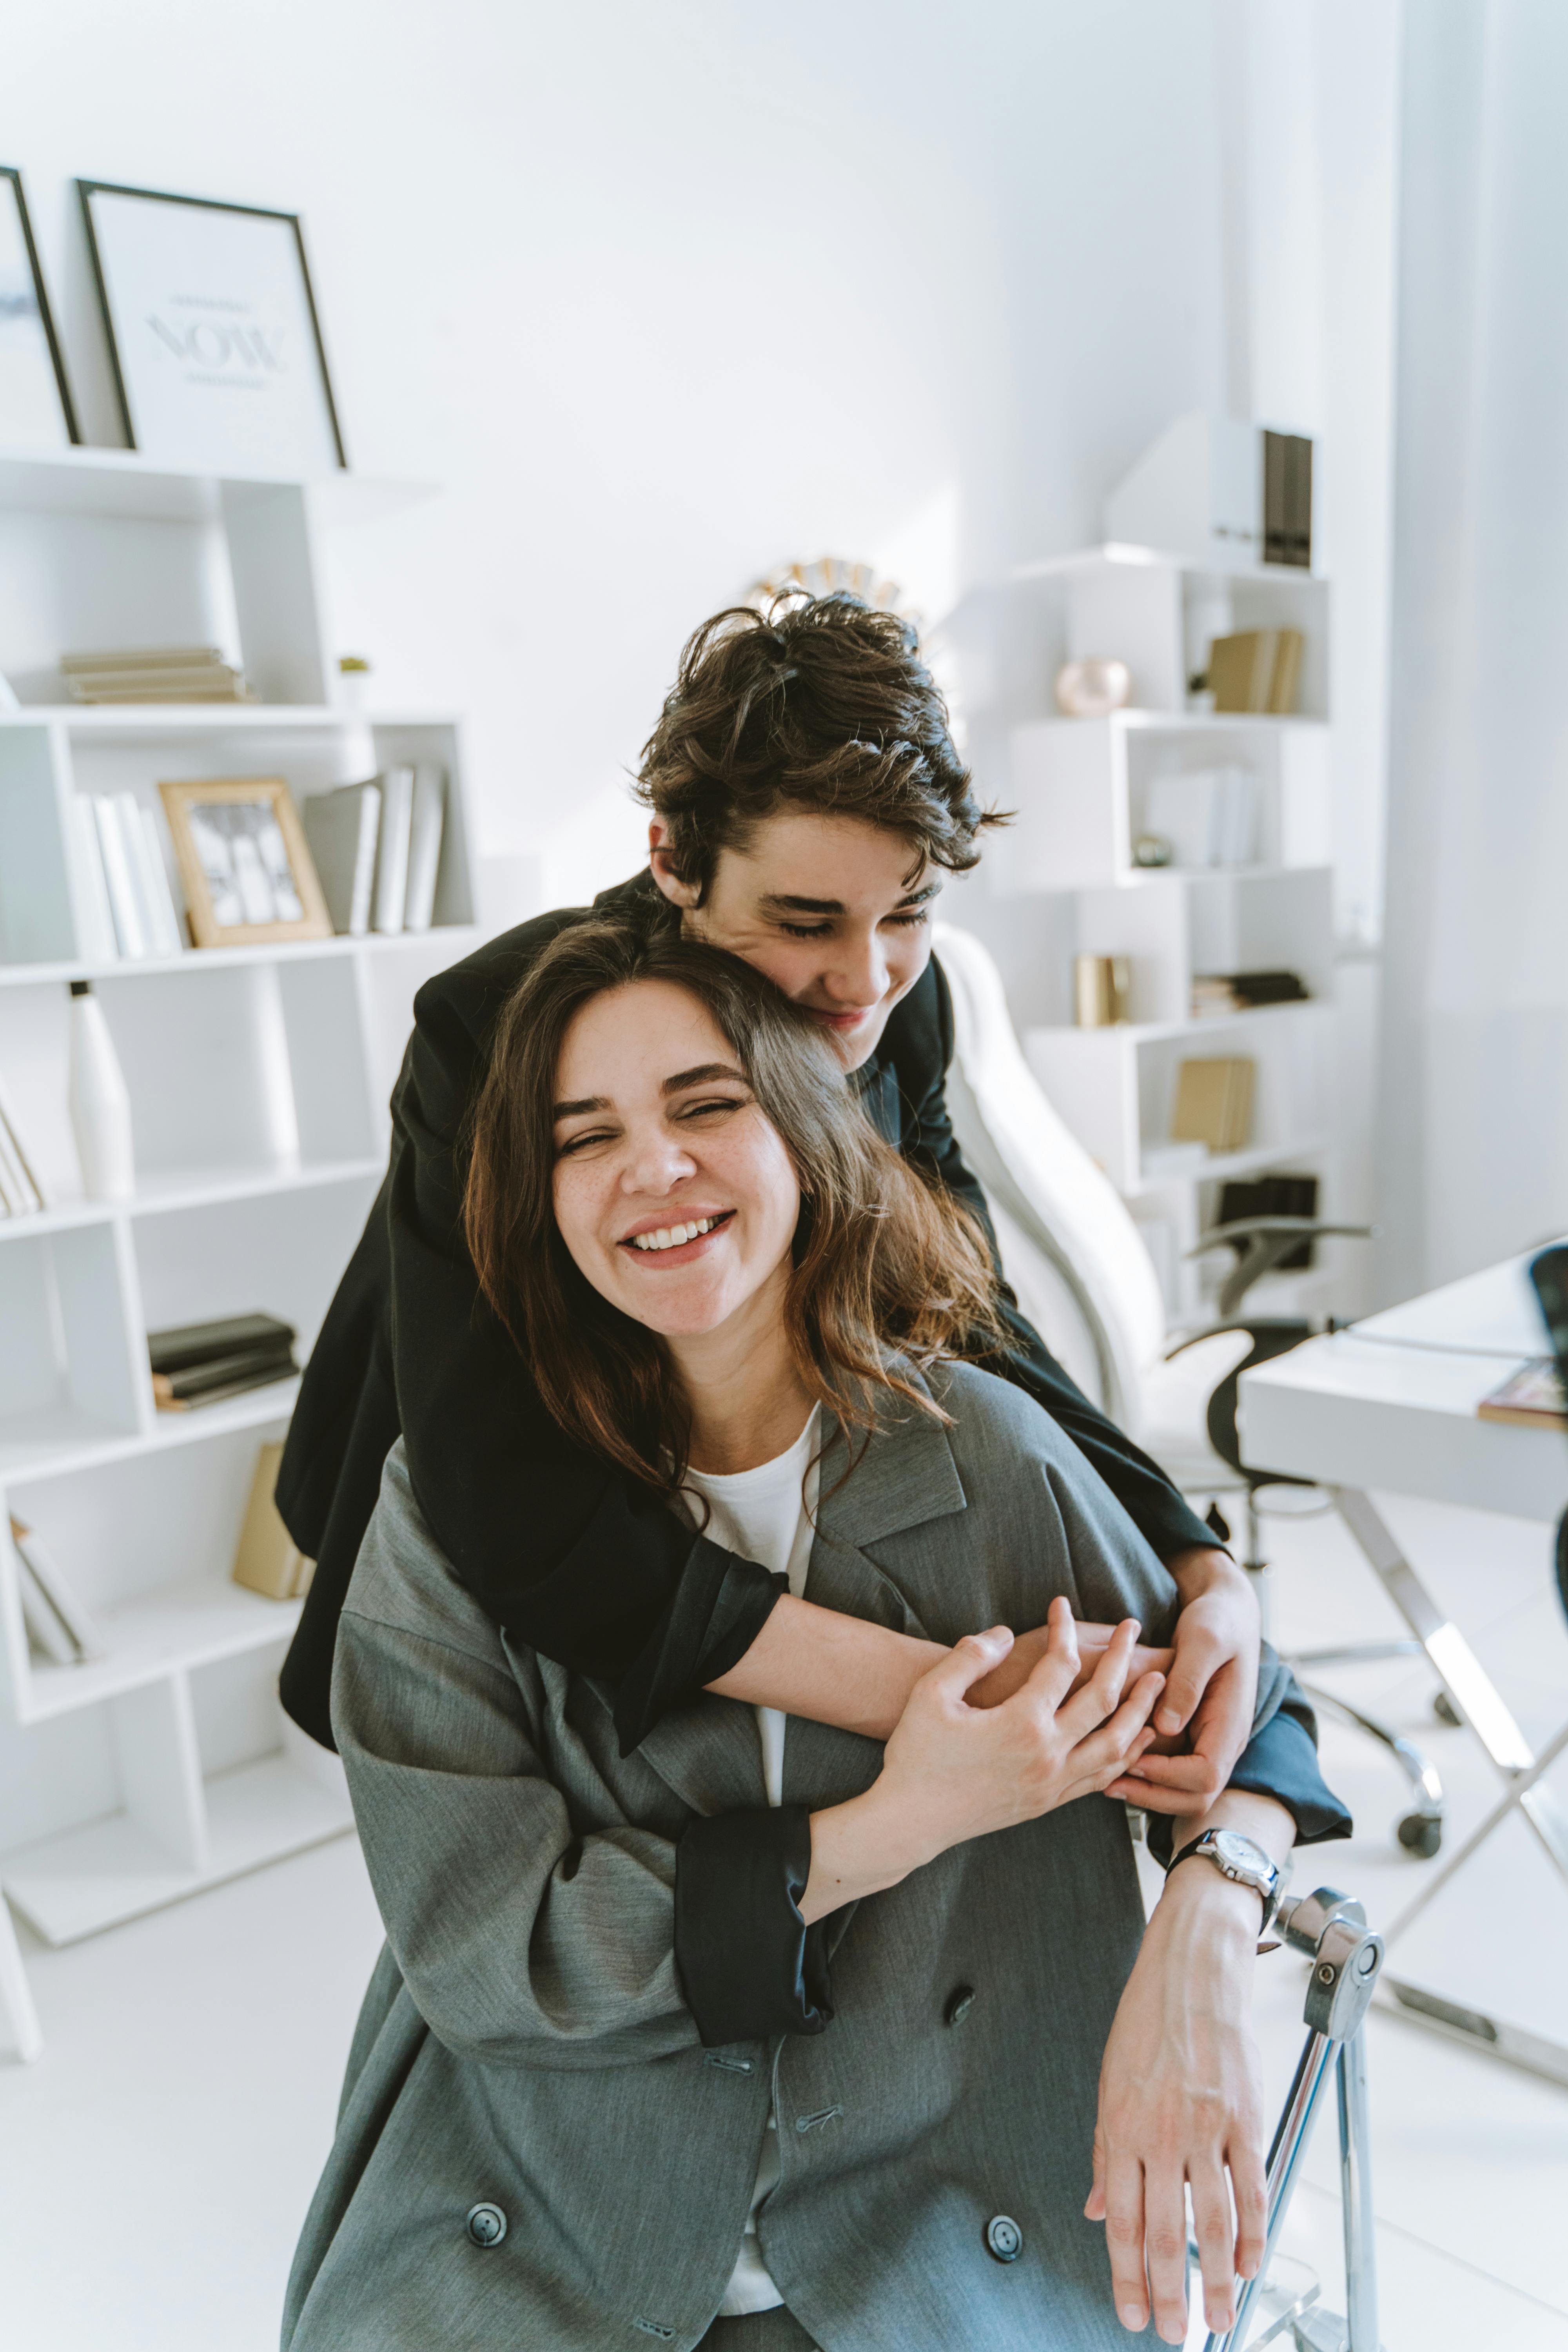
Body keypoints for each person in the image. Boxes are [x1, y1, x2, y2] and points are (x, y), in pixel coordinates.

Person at [283, 922, 1348, 2352]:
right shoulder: (457, 1514)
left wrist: (1209, 1928)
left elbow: (1245, 1712)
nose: (653, 1169)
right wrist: (896, 1822)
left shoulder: (986, 1453)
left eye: (707, 1106)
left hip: (929, 2227)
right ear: (537, 1202)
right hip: (544, 2221)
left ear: (807, 1131)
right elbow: (495, 1944)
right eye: (583, 1138)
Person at [276, 594, 1260, 1835]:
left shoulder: (905, 1004)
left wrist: (1199, 1562)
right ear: (674, 864)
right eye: (806, 924)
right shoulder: (499, 1034)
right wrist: (955, 1697)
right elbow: (505, 1502)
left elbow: (966, 1306)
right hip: (491, 1528)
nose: (864, 984)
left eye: (907, 913)